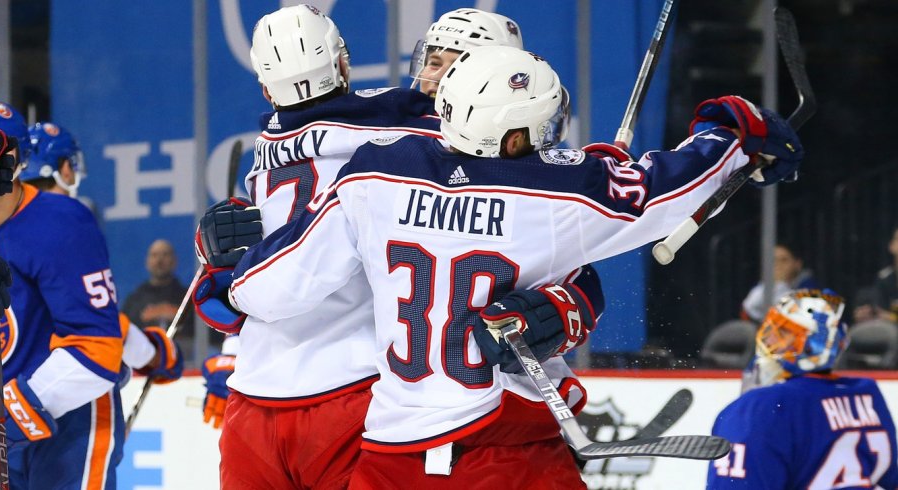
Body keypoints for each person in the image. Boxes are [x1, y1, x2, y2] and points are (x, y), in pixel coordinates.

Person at [224, 45, 803, 487]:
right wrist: (733, 132)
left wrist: (226, 269)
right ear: (517, 132)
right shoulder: (554, 196)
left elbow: (268, 289)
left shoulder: (374, 174)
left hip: (390, 455)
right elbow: (665, 188)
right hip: (500, 451)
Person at [192, 6, 597, 488]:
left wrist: (224, 300)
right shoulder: (417, 145)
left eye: (448, 65)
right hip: (367, 393)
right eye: (429, 60)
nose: (428, 78)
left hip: (272, 392)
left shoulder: (279, 139)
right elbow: (572, 272)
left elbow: (251, 276)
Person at [0, 101, 126, 488]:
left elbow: (97, 348)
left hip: (71, 425)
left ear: (20, 158)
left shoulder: (60, 221)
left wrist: (11, 413)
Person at [22, 121, 182, 387]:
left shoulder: (7, 226)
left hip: (16, 391)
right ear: (65, 170)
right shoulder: (69, 223)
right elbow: (100, 325)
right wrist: (155, 355)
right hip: (70, 389)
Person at [708, 288, 898, 489]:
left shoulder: (758, 408)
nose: (770, 341)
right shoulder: (865, 394)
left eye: (783, 334)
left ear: (812, 348)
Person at [741, 243, 818, 323]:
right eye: (773, 260)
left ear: (797, 264)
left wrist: (780, 284)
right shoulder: (762, 286)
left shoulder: (809, 285)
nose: (778, 265)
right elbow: (748, 310)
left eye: (783, 260)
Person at [853, 226, 898, 324]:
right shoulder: (883, 279)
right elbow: (879, 310)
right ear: (891, 246)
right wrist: (867, 315)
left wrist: (891, 318)